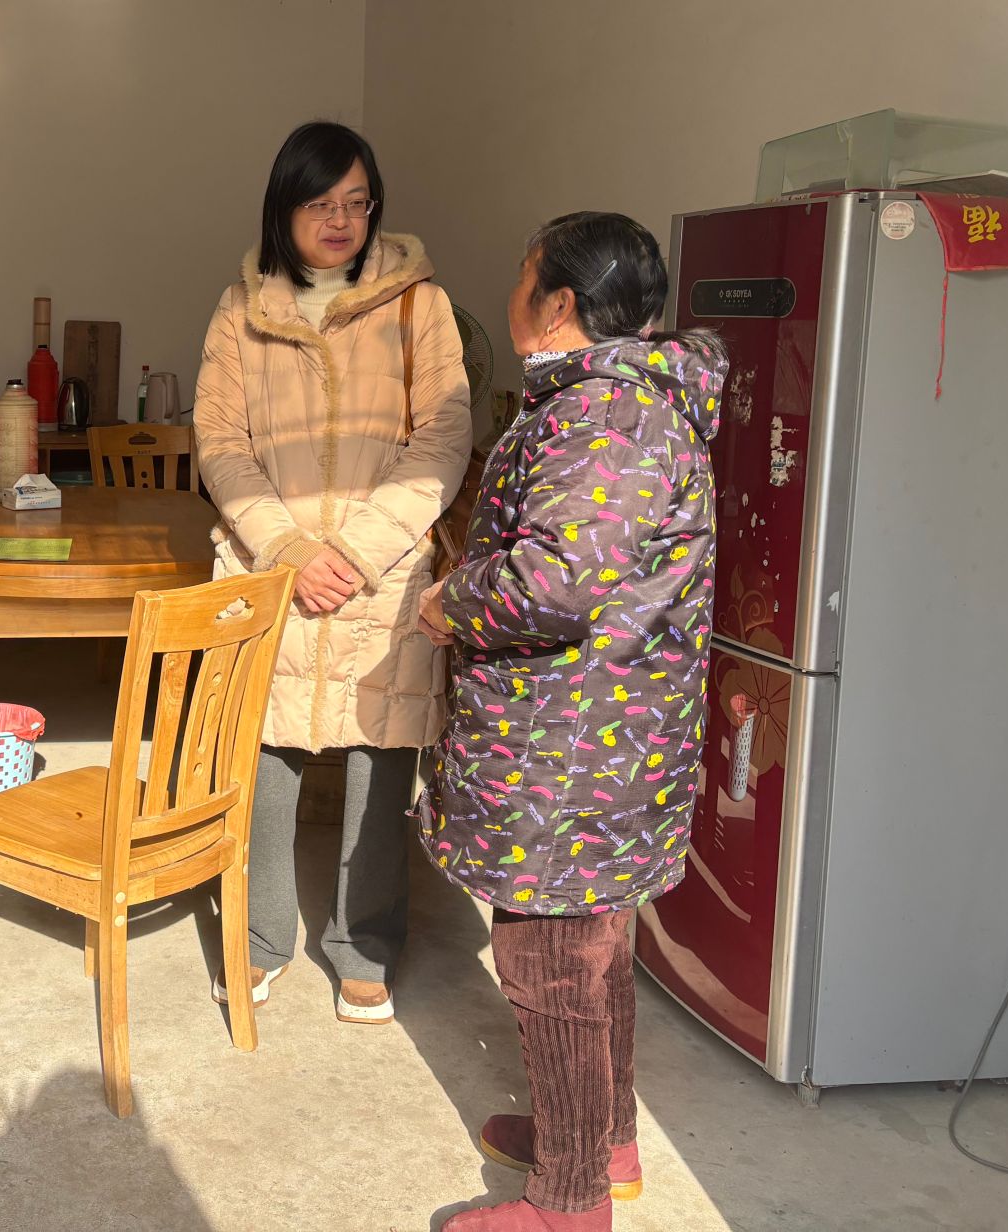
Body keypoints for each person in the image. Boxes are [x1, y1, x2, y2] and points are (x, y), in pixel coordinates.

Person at [415, 212, 727, 1232]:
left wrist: (451, 602)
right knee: (591, 947)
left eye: (522, 278)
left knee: (550, 961)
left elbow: (553, 581)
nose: (510, 295)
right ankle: (598, 1139)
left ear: (557, 303)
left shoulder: (604, 415)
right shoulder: (622, 403)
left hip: (571, 747)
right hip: (601, 735)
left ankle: (568, 1202)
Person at [194, 120, 472, 1024]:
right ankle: (260, 934)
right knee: (263, 754)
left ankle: (364, 944)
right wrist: (286, 548)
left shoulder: (417, 304)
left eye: (357, 202)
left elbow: (444, 436)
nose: (341, 220)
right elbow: (220, 442)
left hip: (378, 569)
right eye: (320, 203)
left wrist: (354, 552)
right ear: (284, 209)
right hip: (270, 562)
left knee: (378, 757)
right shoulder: (240, 310)